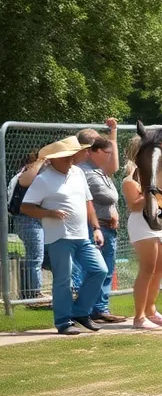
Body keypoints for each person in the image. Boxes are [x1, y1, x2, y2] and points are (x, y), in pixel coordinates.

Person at [20, 137, 107, 335]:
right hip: (59, 237)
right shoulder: (44, 179)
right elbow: (26, 207)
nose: (71, 161)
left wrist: (96, 227)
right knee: (63, 280)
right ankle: (63, 321)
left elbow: (88, 201)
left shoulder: (77, 173)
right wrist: (49, 213)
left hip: (82, 236)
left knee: (99, 270)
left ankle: (80, 313)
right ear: (54, 160)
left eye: (71, 157)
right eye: (66, 158)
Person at [72, 123, 126, 323]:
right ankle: (85, 309)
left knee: (106, 269)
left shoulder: (98, 169)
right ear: (88, 150)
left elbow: (114, 165)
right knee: (95, 269)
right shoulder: (81, 171)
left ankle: (100, 309)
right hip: (94, 226)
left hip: (107, 227)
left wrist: (114, 134)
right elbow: (87, 200)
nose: (106, 149)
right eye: (99, 144)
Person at [121, 137, 162, 329]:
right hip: (141, 223)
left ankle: (151, 310)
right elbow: (134, 205)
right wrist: (152, 192)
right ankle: (139, 316)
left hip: (158, 222)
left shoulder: (157, 176)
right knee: (147, 269)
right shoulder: (130, 180)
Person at [7, 151, 47, 304]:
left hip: (37, 219)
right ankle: (34, 293)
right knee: (35, 257)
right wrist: (42, 160)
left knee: (41, 256)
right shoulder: (27, 173)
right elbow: (27, 182)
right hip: (27, 219)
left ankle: (33, 291)